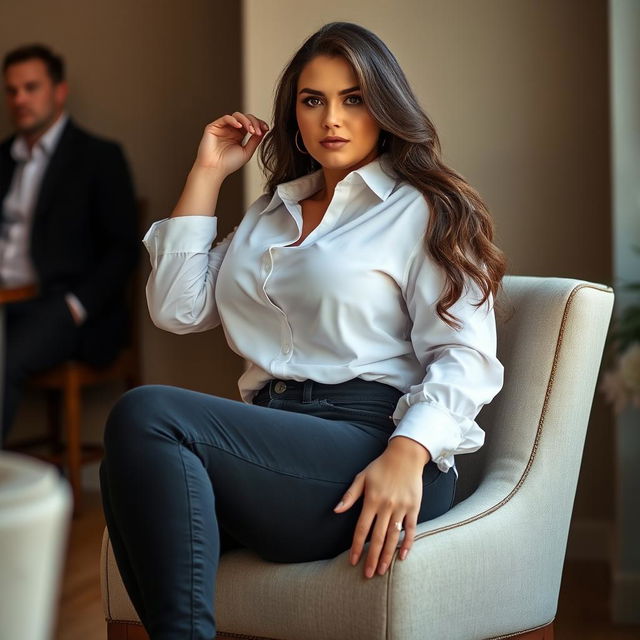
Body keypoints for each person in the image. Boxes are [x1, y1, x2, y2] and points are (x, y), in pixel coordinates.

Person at [100, 21, 507, 639]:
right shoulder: (272, 211)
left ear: (385, 106)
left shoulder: (424, 208)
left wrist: (409, 451)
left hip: (372, 443)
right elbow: (177, 309)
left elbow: (466, 354)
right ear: (294, 115)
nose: (331, 119)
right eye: (312, 100)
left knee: (146, 415)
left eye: (354, 98)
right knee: (129, 469)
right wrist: (208, 173)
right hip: (278, 441)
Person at [0, 44, 138, 444]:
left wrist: (76, 307)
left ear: (59, 91)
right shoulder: (1, 160)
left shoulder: (99, 157)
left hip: (65, 308)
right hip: (7, 304)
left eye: (31, 87)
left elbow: (122, 248)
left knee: (2, 360)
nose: (20, 99)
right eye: (11, 91)